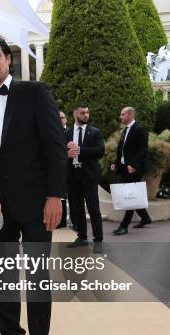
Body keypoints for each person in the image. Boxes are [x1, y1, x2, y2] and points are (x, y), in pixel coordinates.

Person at [0, 35, 67, 335]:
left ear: (8, 59)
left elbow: (55, 146)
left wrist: (55, 195)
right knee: (4, 278)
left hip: (38, 205)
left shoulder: (34, 92)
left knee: (38, 279)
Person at [65, 104, 104, 253]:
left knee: (94, 209)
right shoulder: (67, 133)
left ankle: (98, 240)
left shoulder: (95, 132)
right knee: (77, 209)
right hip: (72, 176)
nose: (86, 115)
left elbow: (100, 151)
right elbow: (59, 151)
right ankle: (82, 237)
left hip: (89, 176)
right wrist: (66, 153)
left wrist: (80, 150)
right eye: (82, 113)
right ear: (75, 114)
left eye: (87, 112)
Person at [111, 106, 152, 235]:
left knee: (130, 197)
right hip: (124, 168)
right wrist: (116, 163)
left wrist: (133, 165)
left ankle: (124, 226)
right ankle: (145, 218)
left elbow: (143, 150)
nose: (120, 117)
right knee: (130, 195)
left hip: (134, 169)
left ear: (130, 115)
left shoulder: (140, 129)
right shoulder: (125, 130)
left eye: (122, 114)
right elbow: (122, 150)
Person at [58, 110, 69, 229]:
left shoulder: (70, 132)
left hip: (71, 169)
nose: (60, 119)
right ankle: (61, 222)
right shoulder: (52, 131)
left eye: (62, 117)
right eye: (58, 118)